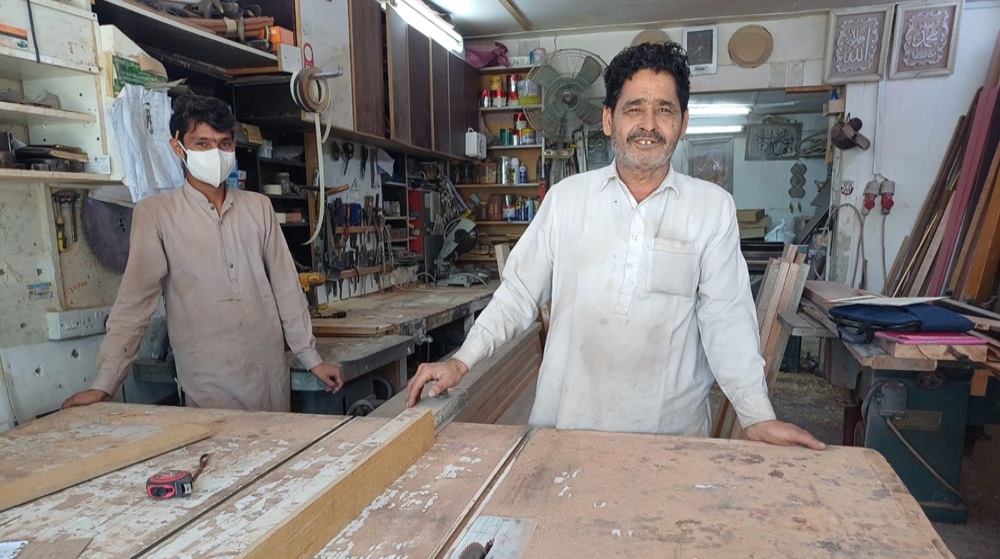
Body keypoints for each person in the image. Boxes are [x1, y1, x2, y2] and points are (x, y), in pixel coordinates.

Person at [406, 42, 823, 450]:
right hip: (563, 432)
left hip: (670, 442)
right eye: (634, 108)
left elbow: (726, 317)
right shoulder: (567, 200)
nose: (649, 124)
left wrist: (756, 415)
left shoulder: (712, 209)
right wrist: (461, 360)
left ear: (683, 122)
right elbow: (518, 294)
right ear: (608, 119)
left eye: (664, 110)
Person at [63, 94, 343, 412]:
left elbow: (286, 287)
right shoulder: (156, 214)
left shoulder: (259, 208)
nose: (215, 153)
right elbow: (134, 305)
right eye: (202, 143)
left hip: (269, 375)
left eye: (224, 144)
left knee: (279, 443)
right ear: (177, 147)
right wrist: (104, 384)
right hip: (207, 382)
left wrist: (311, 358)